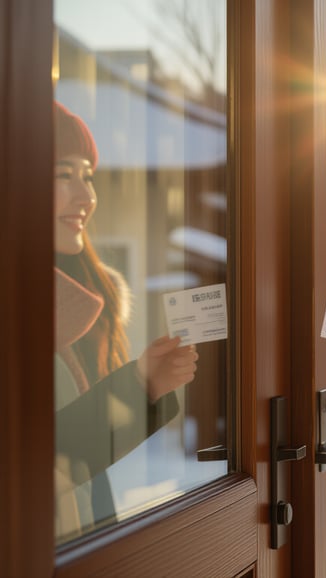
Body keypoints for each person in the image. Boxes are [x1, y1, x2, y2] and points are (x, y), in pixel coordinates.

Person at [53, 101, 200, 542]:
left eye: (88, 177)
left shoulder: (73, 309)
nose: (87, 197)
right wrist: (138, 386)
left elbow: (67, 455)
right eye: (64, 175)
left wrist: (143, 384)